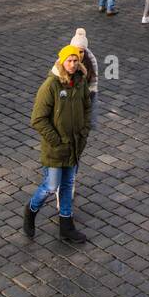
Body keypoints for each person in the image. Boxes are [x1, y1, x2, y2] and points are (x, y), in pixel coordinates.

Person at [24, 45, 90, 244]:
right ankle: (31, 209)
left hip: (74, 146)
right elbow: (38, 119)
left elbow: (87, 107)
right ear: (61, 61)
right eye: (69, 61)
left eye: (75, 60)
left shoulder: (80, 82)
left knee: (68, 185)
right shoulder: (50, 86)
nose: (72, 64)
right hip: (56, 148)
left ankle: (66, 227)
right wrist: (57, 141)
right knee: (51, 186)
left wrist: (84, 132)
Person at [70, 28, 99, 131]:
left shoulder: (91, 60)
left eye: (81, 51)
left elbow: (93, 88)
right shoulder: (64, 59)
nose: (78, 54)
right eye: (76, 51)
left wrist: (91, 120)